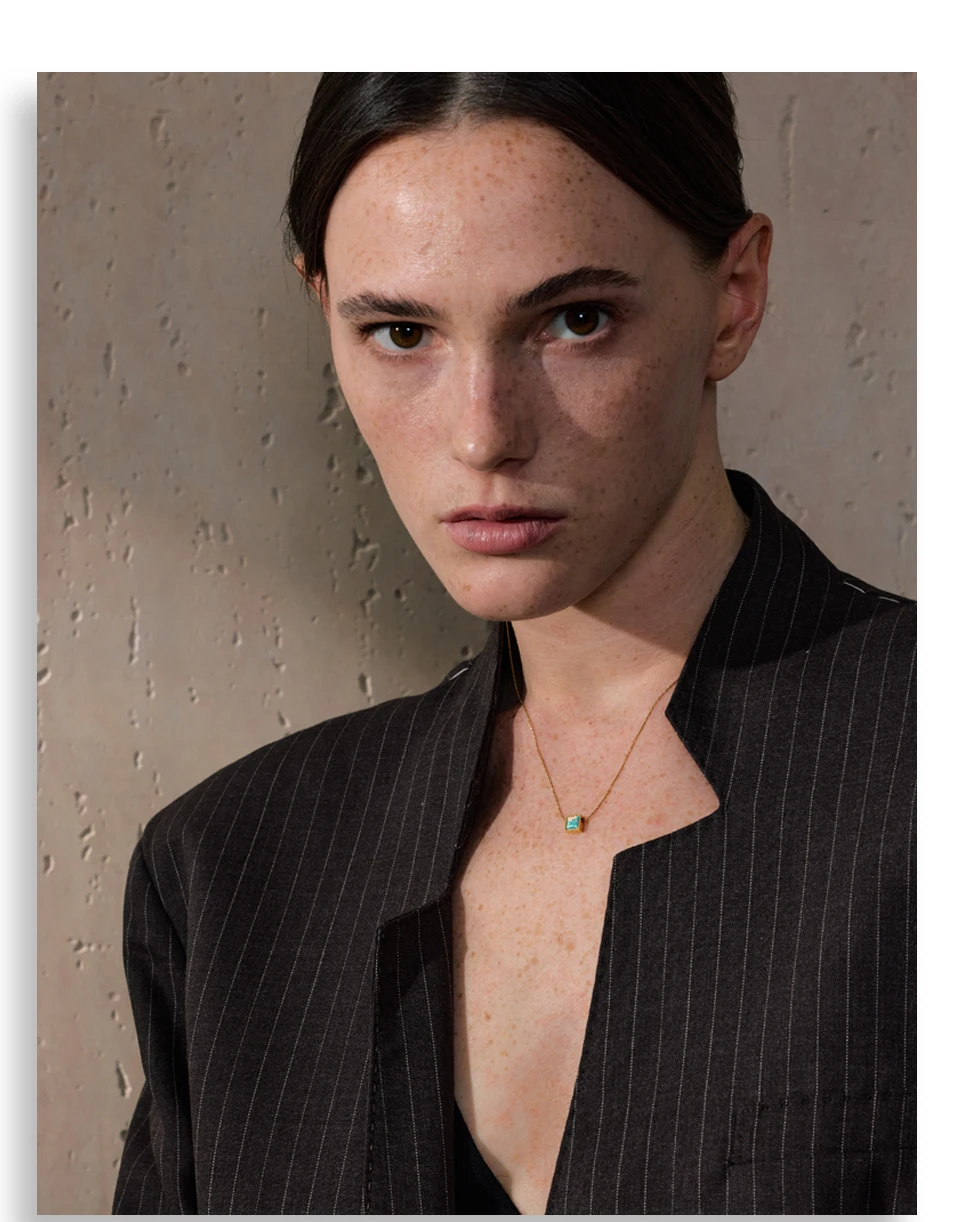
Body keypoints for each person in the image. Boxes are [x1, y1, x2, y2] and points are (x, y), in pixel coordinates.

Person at [112, 73, 915, 1216]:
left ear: (734, 297)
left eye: (575, 319)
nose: (484, 432)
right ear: (324, 312)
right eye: (401, 333)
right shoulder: (233, 874)